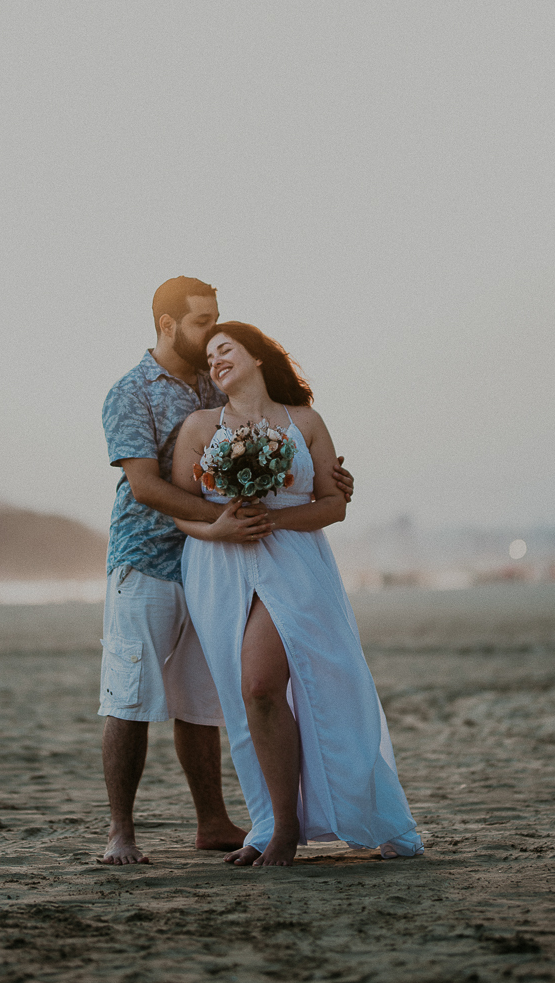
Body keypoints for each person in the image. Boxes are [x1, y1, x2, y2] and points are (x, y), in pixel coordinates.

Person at [99, 278, 354, 865]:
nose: (213, 332)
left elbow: (282, 444)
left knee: (200, 700)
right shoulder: (130, 391)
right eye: (201, 322)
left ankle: (212, 822)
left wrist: (327, 478)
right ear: (167, 325)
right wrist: (217, 522)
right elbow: (145, 486)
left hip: (221, 565)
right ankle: (121, 832)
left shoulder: (216, 380)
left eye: (217, 321)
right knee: (130, 694)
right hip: (147, 559)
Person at [172, 322, 424, 867]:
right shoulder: (199, 427)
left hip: (294, 563)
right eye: (210, 356)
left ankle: (287, 828)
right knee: (246, 696)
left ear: (258, 357)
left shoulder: (305, 422)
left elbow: (334, 504)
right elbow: (178, 510)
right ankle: (272, 820)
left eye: (225, 349)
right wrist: (219, 528)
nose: (216, 361)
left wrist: (276, 518)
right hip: (219, 566)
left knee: (265, 684)